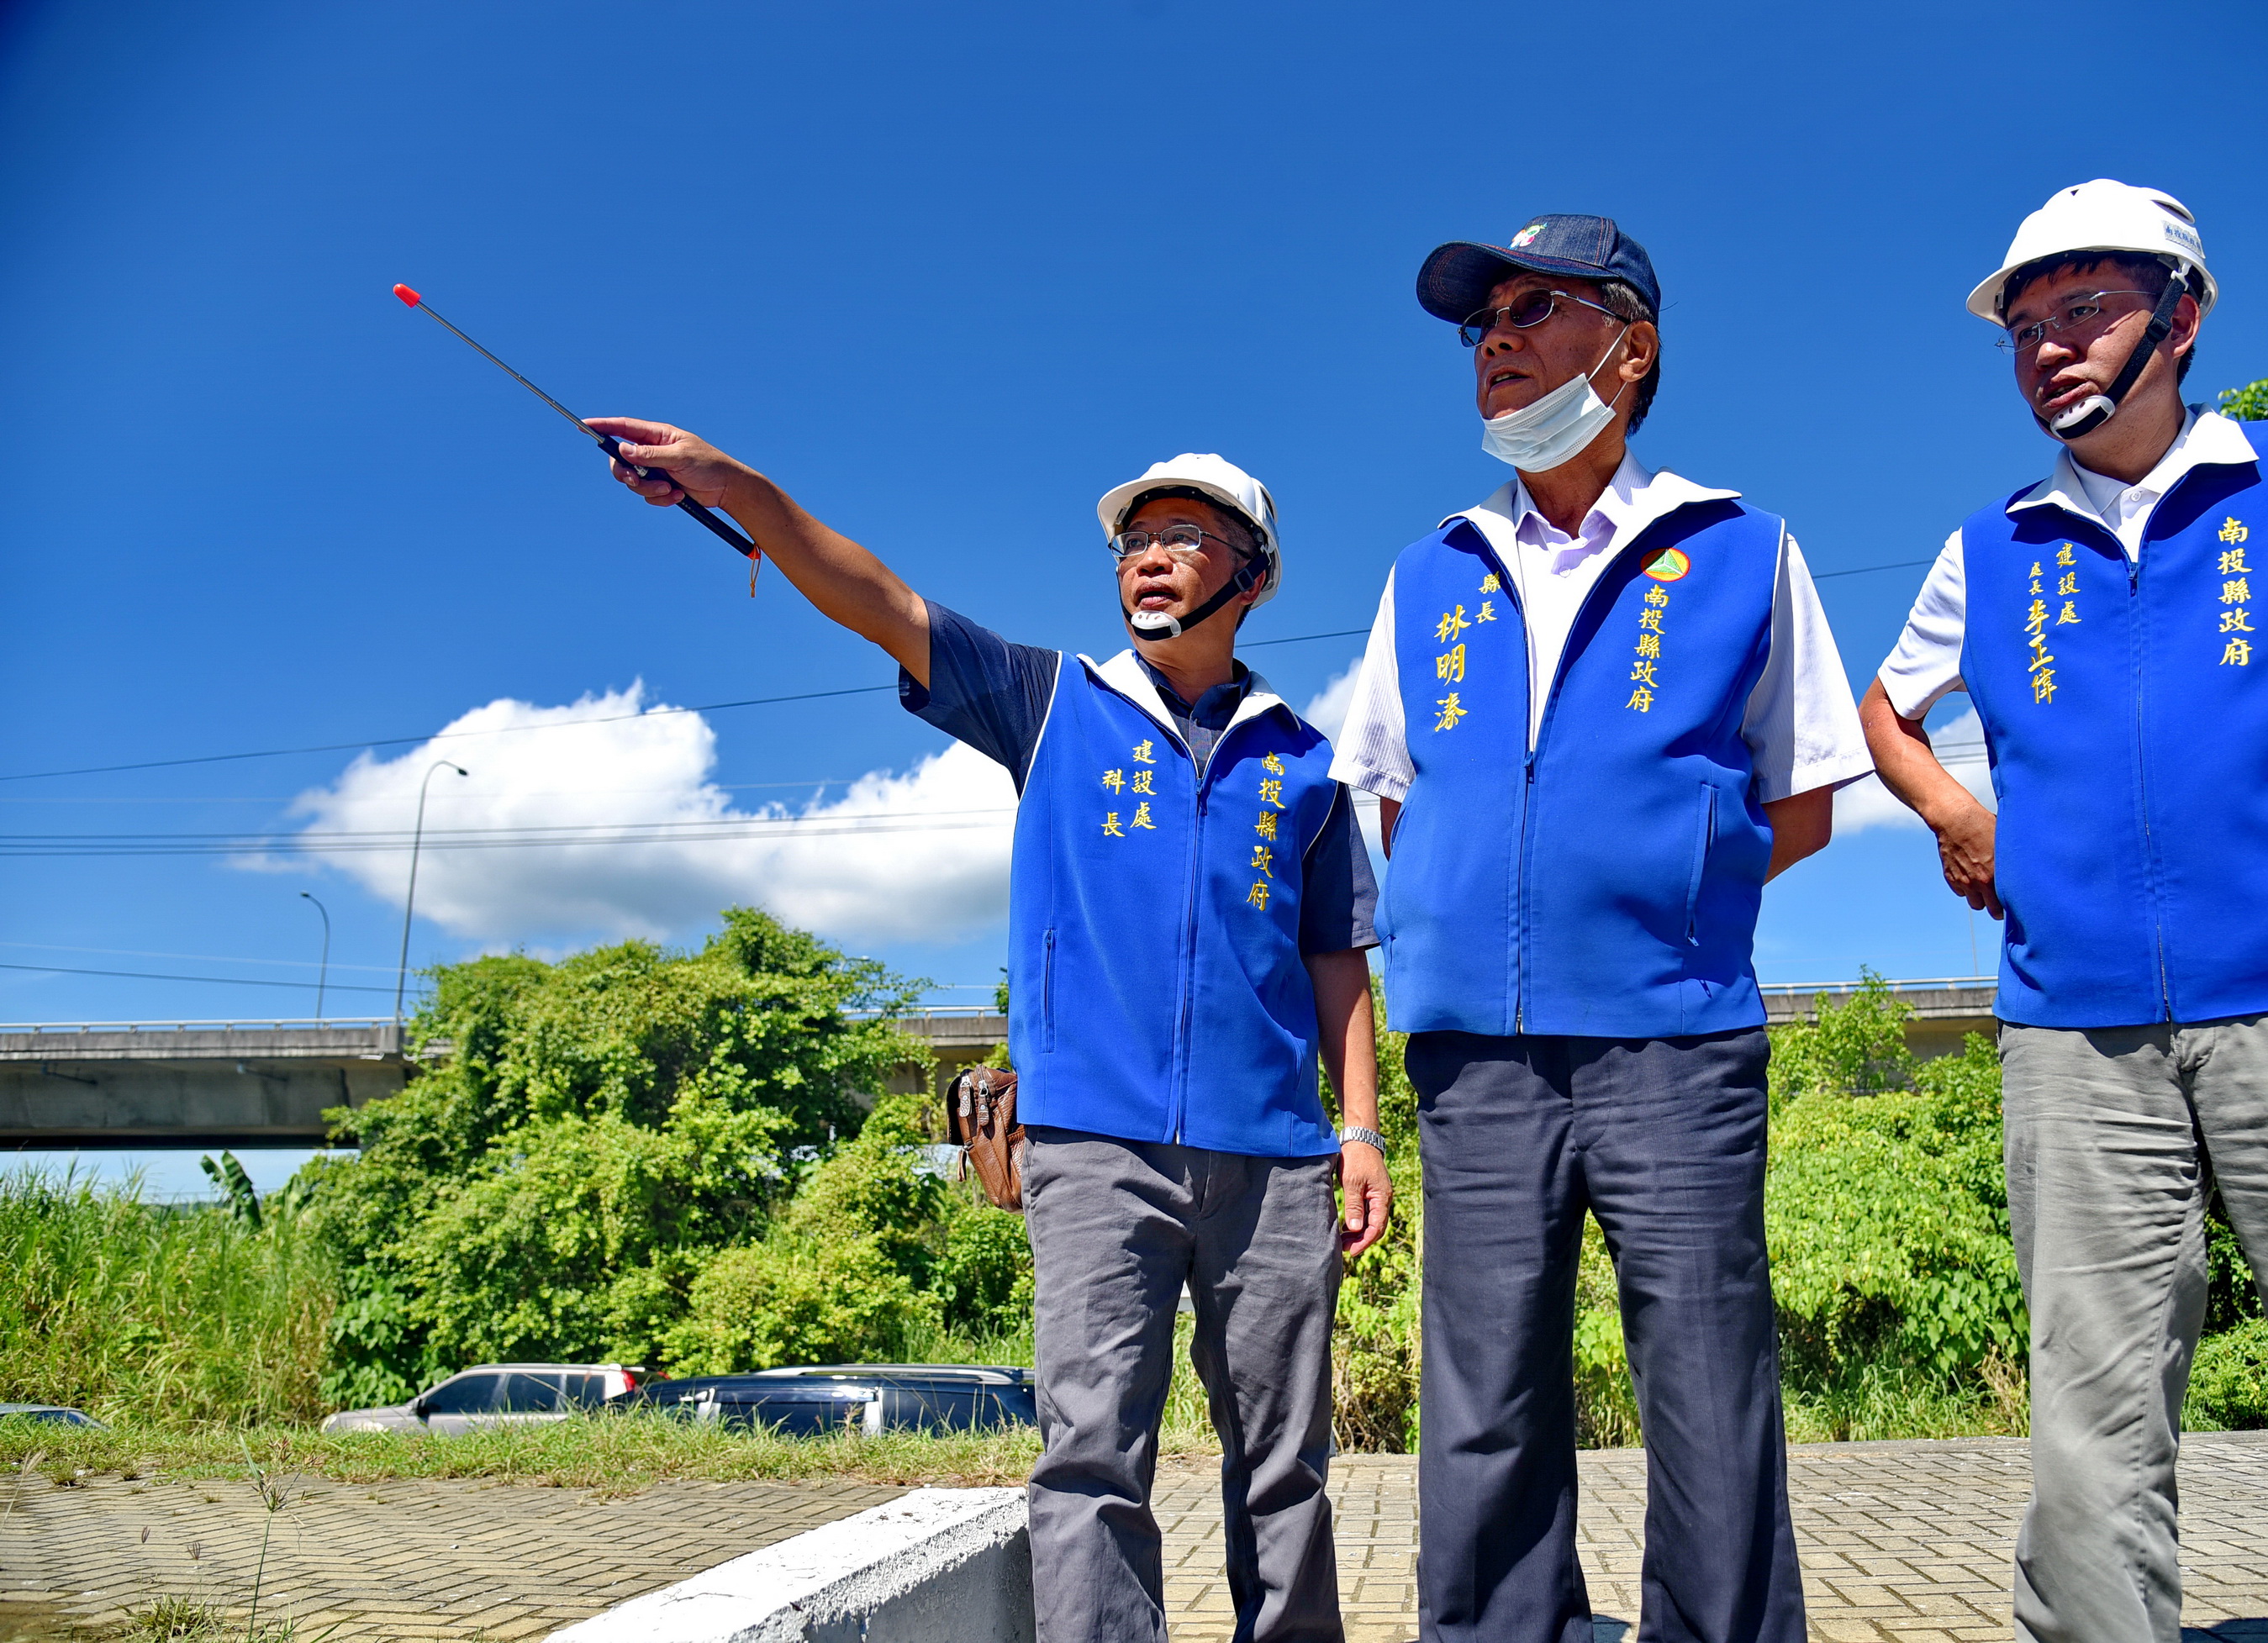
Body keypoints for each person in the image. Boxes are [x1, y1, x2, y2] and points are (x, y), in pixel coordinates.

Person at [585, 427, 1392, 1643]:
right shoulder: (1050, 701)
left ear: (1254, 574)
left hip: (1275, 1162)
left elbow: (1337, 959)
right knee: (1090, 1456)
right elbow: (877, 600)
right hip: (1095, 1150)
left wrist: (1360, 1131)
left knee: (1284, 1466)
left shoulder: (1306, 762)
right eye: (1135, 540)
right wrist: (736, 489)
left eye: (1186, 537)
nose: (1149, 561)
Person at [1859, 179, 2268, 1642]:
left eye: (2085, 311)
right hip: (2071, 1032)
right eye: (2024, 327)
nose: (2049, 349)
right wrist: (1955, 812)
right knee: (2091, 1412)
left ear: (2180, 316)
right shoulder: (1988, 545)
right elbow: (1881, 708)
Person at [1332, 214, 1871, 1643]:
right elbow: (1394, 798)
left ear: (1625, 351)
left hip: (1673, 1041)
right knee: (1485, 1396)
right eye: (1479, 323)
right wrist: (1475, 916)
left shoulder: (1741, 550)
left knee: (1704, 1385)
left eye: (1530, 309)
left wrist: (1651, 903)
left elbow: (1799, 799)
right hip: (1475, 1059)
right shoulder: (1426, 571)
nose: (1492, 341)